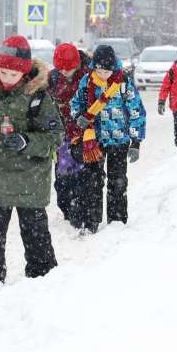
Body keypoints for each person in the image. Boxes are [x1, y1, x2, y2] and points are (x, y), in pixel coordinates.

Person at [0, 35, 64, 291]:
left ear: (24, 72)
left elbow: (55, 136)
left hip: (31, 177)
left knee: (35, 231)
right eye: (2, 72)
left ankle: (43, 278)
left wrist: (26, 141)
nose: (6, 78)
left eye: (12, 74)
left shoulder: (38, 97)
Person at [71, 45, 146, 234]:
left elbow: (136, 111)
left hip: (119, 141)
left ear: (113, 67)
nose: (102, 74)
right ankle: (90, 221)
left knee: (117, 181)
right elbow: (75, 103)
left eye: (106, 70)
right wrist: (78, 115)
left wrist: (136, 142)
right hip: (94, 141)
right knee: (92, 181)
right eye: (98, 70)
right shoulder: (87, 81)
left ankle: (117, 220)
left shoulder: (123, 83)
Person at [48, 43, 89, 229]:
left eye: (69, 68)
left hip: (83, 134)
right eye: (61, 68)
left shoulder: (87, 77)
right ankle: (66, 206)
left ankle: (79, 210)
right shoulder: (53, 78)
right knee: (63, 174)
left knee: (81, 174)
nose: (65, 71)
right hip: (62, 134)